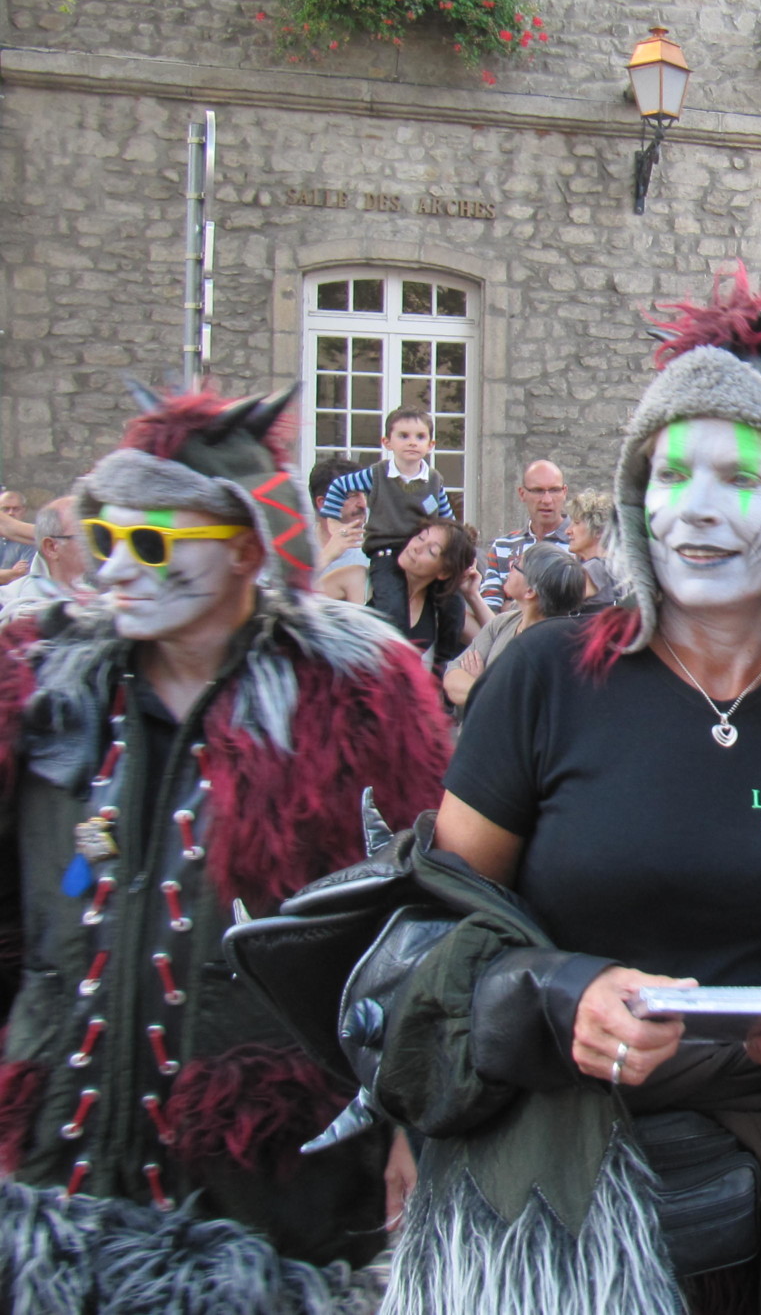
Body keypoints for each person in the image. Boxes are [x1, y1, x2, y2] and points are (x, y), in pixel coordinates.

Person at [287, 270, 761, 1315]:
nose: (699, 507)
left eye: (741, 478)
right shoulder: (546, 679)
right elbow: (422, 944)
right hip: (551, 1222)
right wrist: (554, 999)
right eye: (671, 473)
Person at [0, 388, 453, 1309]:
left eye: (151, 541)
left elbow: (428, 923)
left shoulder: (359, 701)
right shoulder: (40, 690)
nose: (117, 567)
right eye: (104, 537)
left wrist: (417, 1122)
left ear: (246, 547)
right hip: (56, 1174)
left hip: (267, 1194)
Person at [317, 406, 456, 630]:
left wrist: (456, 549)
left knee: (453, 603)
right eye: (404, 436)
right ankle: (393, 646)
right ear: (387, 442)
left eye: (420, 437)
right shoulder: (376, 475)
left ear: (431, 445)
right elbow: (339, 486)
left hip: (424, 553)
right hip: (387, 553)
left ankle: (444, 651)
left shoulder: (434, 480)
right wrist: (333, 521)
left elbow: (447, 519)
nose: (412, 443)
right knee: (391, 606)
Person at [442, 541, 586, 710]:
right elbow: (452, 678)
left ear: (530, 591)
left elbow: (529, 708)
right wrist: (491, 689)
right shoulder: (503, 623)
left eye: (517, 564)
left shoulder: (563, 646)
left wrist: (481, 683)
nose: (510, 565)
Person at [375, 518, 487, 674]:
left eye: (431, 551)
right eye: (420, 537)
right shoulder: (360, 580)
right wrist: (335, 553)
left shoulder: (439, 610)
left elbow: (499, 641)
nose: (416, 548)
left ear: (444, 572)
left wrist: (472, 595)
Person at [479, 458, 570, 609]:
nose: (547, 500)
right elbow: (489, 608)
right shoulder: (503, 546)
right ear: (522, 494)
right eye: (538, 491)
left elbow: (578, 610)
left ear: (564, 492)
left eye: (554, 490)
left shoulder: (580, 545)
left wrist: (511, 606)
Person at [0, 494, 92, 619]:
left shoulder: (106, 598)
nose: (98, 545)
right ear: (51, 547)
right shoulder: (16, 605)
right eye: (85, 538)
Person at [307, 453, 369, 604]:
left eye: (364, 494)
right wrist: (326, 556)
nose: (363, 504)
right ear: (323, 503)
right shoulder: (293, 545)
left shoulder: (372, 552)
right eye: (352, 495)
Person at [567, 485, 616, 606]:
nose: (567, 531)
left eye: (576, 523)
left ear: (599, 530)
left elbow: (556, 598)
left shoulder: (596, 567)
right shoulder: (613, 563)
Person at [0, 490, 35, 585]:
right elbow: (15, 574)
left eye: (16, 509)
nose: (11, 513)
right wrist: (12, 572)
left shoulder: (30, 539)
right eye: (5, 509)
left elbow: (21, 577)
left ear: (24, 511)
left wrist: (11, 575)